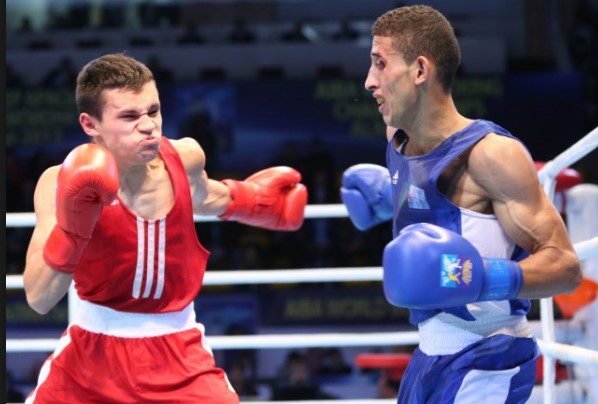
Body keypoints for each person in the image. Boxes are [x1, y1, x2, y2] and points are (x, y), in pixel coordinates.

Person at [23, 53, 307, 403]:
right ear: (90, 124)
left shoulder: (185, 158)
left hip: (179, 354)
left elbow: (206, 196)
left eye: (153, 111)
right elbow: (38, 299)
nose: (148, 126)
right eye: (129, 116)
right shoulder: (58, 183)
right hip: (89, 358)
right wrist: (74, 228)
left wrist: (261, 203)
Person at [340, 5, 581, 403]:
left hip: (490, 354)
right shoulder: (396, 138)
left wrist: (480, 278)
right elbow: (432, 202)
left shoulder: (490, 154)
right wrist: (388, 197)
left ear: (420, 71)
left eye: (379, 64)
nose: (369, 81)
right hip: (430, 355)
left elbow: (565, 267)